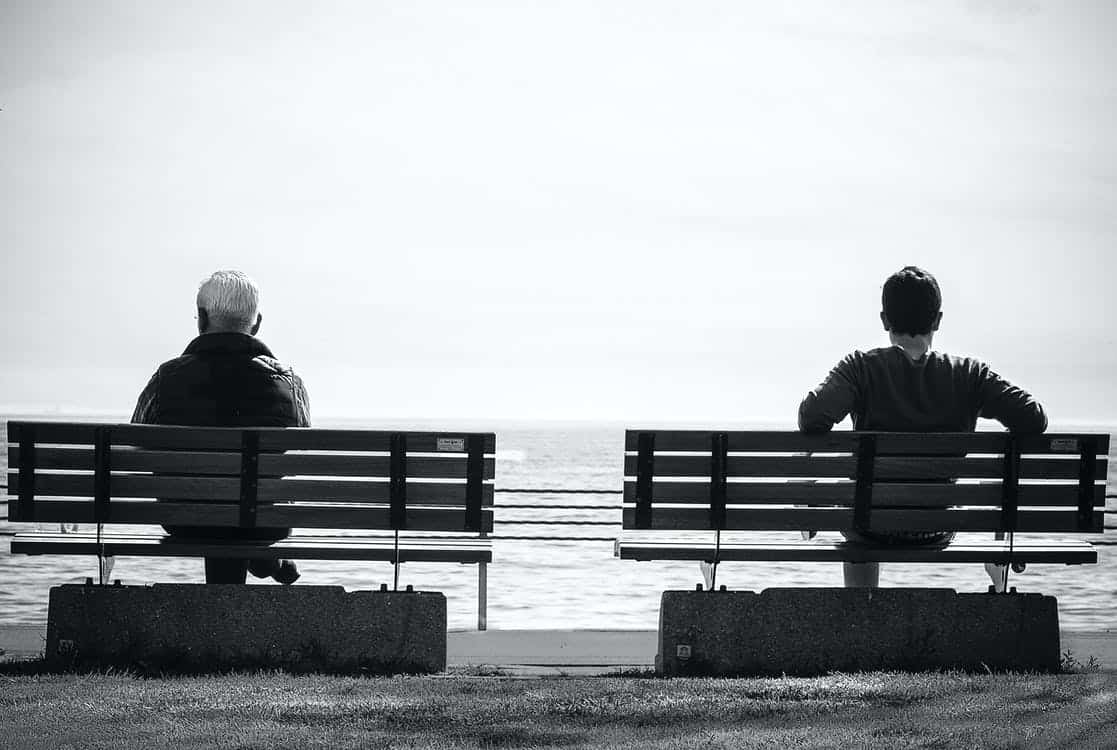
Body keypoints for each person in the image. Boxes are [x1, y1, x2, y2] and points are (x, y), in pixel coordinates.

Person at [797, 265, 1047, 588]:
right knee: (859, 506)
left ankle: (861, 610)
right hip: (937, 525)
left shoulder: (860, 369)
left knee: (856, 508)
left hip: (869, 524)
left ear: (885, 319)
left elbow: (811, 416)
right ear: (938, 321)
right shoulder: (970, 375)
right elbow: (1033, 418)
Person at [132, 270, 310, 584]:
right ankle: (264, 557)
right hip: (265, 521)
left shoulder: (167, 378)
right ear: (256, 324)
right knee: (246, 509)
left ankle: (257, 566)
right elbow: (301, 448)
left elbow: (135, 443)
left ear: (201, 319)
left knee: (219, 508)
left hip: (185, 519)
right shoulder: (288, 382)